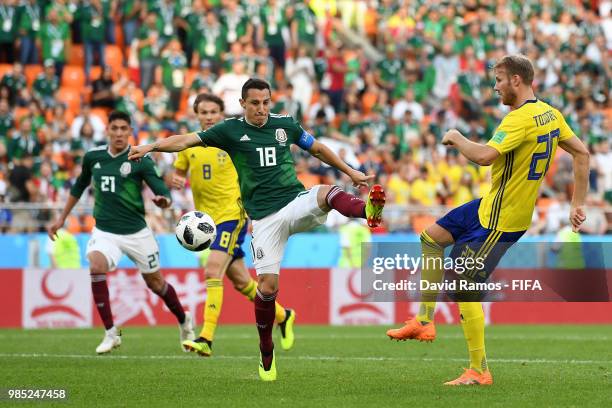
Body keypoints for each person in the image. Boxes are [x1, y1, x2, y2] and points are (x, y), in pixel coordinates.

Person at [128, 78, 386, 381]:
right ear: (243, 104)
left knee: (325, 192)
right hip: (264, 221)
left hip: (293, 201)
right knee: (266, 288)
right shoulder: (230, 130)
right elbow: (185, 140)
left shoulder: (285, 125)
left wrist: (351, 171)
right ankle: (266, 353)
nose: (261, 109)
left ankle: (367, 212)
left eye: (266, 102)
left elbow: (316, 148)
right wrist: (151, 146)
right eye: (255, 103)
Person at [386, 54, 590, 386]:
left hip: (502, 221)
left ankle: (479, 371)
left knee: (462, 288)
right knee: (431, 239)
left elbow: (483, 156)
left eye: (498, 79)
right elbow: (582, 153)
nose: (495, 87)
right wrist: (575, 203)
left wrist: (456, 136)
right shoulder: (551, 115)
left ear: (516, 81)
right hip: (489, 206)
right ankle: (424, 320)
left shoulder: (518, 119)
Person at [47, 111, 195, 355]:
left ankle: (183, 319)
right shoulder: (93, 157)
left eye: (123, 128)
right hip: (105, 231)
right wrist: (61, 218)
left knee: (156, 284)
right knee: (96, 265)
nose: (118, 133)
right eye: (114, 128)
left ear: (130, 131)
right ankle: (110, 333)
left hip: (137, 233)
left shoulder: (140, 159)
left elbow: (160, 189)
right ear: (107, 130)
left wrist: (163, 201)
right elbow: (79, 185)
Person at [175, 93, 296, 357]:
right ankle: (283, 315)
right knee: (242, 281)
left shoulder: (232, 139)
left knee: (212, 271)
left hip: (233, 215)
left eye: (213, 112)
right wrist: (175, 180)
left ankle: (206, 338)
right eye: (203, 112)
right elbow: (180, 169)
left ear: (221, 114)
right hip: (206, 221)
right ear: (196, 115)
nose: (208, 117)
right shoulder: (191, 145)